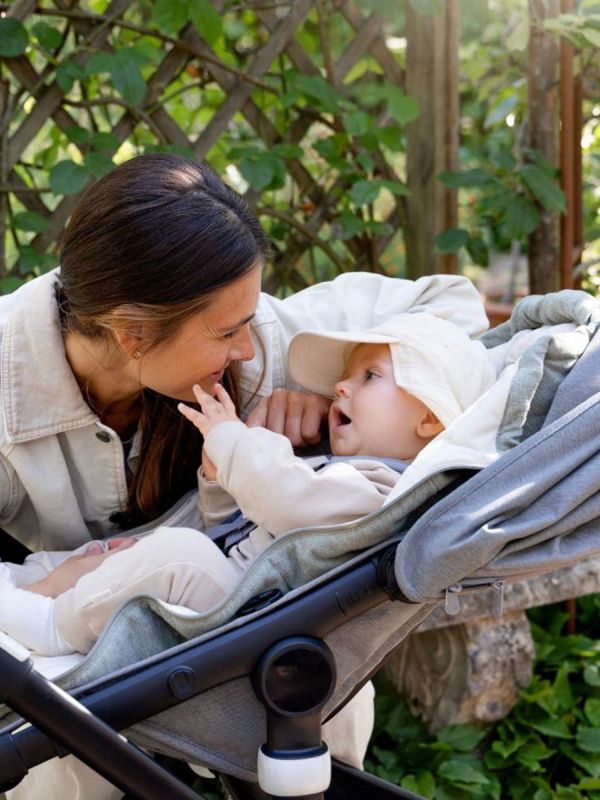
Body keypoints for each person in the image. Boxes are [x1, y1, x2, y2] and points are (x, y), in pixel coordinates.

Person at [0, 152, 490, 798]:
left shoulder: (257, 341)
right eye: (229, 331)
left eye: (249, 324)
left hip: (212, 624)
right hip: (86, 635)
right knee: (61, 738)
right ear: (132, 334)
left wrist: (327, 391)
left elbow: (449, 304)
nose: (250, 350)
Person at [7, 313, 495, 658]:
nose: (341, 388)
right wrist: (220, 484)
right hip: (228, 589)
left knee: (178, 552)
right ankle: (22, 585)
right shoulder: (333, 472)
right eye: (345, 377)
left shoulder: (383, 493)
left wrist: (231, 438)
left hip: (247, 618)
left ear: (430, 418)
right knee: (109, 553)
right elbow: (240, 525)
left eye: (370, 377)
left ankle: (53, 626)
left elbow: (287, 501)